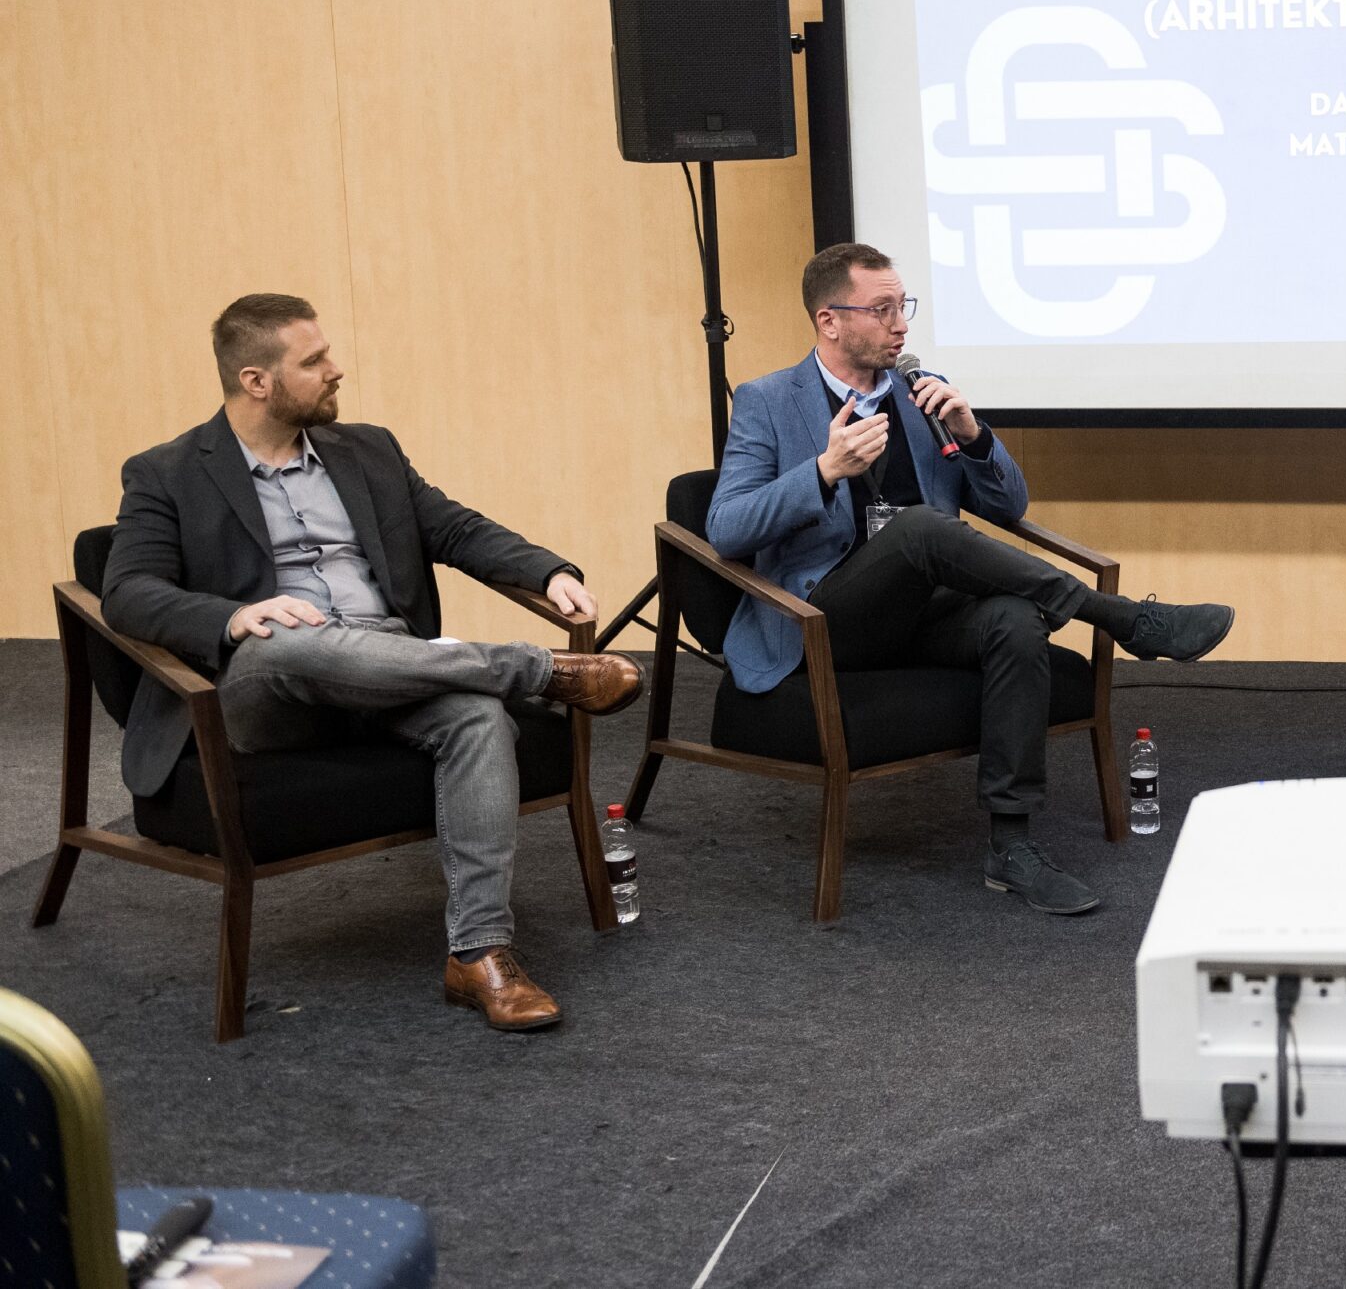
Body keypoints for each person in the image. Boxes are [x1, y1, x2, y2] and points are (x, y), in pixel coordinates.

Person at [101, 295, 643, 1032]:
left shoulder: (368, 450)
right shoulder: (167, 472)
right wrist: (231, 617)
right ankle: (533, 670)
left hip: (389, 666)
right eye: (314, 360)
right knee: (286, 637)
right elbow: (129, 591)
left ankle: (479, 953)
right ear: (257, 381)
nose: (337, 369)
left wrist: (546, 570)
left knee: (477, 715)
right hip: (270, 686)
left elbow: (454, 527)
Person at [707, 244, 1236, 917]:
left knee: (1014, 620)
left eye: (904, 306)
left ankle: (1012, 846)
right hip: (826, 622)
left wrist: (974, 434)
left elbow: (1008, 507)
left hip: (925, 613)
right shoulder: (768, 401)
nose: (901, 324)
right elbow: (726, 526)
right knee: (919, 529)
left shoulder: (921, 393)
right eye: (881, 309)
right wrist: (822, 471)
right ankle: (1123, 618)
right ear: (829, 321)